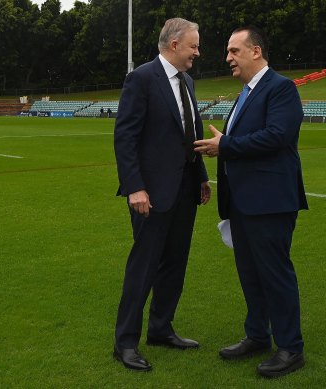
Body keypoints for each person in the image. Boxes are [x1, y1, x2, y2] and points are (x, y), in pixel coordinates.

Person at [193, 25, 308, 378]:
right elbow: (245, 142)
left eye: (234, 51)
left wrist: (225, 145)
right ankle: (258, 335)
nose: (227, 58)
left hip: (270, 202)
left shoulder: (281, 88)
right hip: (243, 202)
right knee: (251, 275)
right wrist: (224, 145)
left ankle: (290, 348)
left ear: (256, 51)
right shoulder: (245, 93)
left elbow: (277, 136)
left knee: (274, 274)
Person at [112, 17, 211, 372]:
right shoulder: (141, 78)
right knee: (143, 267)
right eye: (193, 46)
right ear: (173, 45)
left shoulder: (187, 81)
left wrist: (201, 176)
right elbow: (125, 137)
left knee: (175, 265)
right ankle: (125, 343)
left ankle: (160, 329)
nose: (197, 53)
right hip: (151, 194)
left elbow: (191, 132)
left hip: (185, 191)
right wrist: (135, 187)